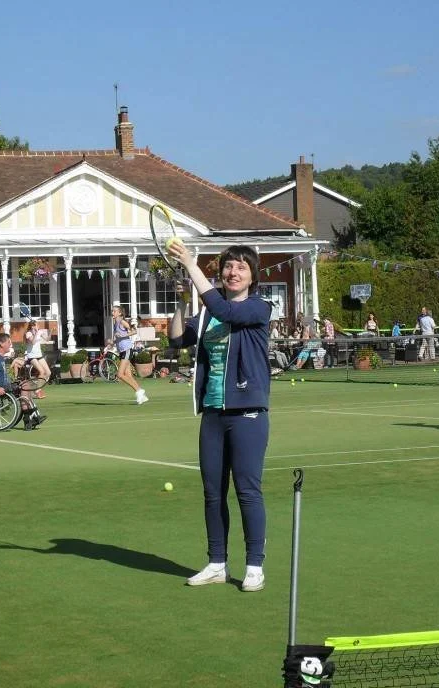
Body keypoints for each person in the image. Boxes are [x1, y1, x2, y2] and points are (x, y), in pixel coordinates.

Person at [167, 240, 271, 593]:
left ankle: (254, 566)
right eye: (228, 266)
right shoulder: (210, 312)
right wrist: (182, 300)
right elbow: (178, 338)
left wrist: (191, 265)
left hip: (248, 415)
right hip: (213, 413)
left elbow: (227, 313)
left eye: (241, 267)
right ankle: (217, 563)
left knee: (247, 492)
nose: (233, 272)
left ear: (252, 276)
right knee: (213, 493)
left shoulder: (259, 308)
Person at [0, 332, 46, 430]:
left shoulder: (0, 357)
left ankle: (31, 417)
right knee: (25, 387)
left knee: (26, 384)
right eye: (9, 342)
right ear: (1, 343)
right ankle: (28, 419)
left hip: (5, 385)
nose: (11, 344)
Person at [111, 304, 148, 405]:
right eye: (112, 311)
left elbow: (134, 331)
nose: (112, 313)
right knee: (128, 375)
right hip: (122, 351)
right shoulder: (115, 323)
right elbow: (118, 337)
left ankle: (139, 391)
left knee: (120, 374)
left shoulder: (122, 322)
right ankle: (141, 395)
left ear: (119, 313)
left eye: (114, 311)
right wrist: (112, 343)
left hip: (127, 350)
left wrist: (123, 335)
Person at [13, 320, 51, 399]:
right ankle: (37, 390)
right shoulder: (28, 333)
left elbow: (47, 339)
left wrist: (50, 332)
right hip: (31, 356)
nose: (38, 326)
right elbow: (33, 342)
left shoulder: (39, 332)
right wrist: (37, 332)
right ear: (33, 326)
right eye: (37, 325)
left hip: (39, 355)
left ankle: (37, 388)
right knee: (42, 372)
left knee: (48, 373)